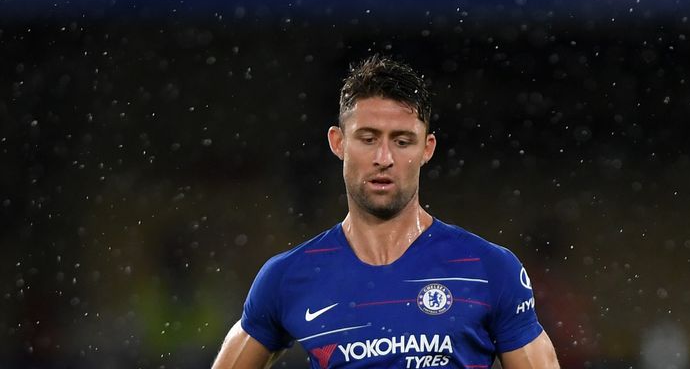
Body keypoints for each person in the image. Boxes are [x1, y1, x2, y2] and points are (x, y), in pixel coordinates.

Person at [212, 55, 560, 368]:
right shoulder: (288, 278)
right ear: (338, 143)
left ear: (427, 148)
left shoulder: (488, 269)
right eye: (367, 138)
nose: (384, 158)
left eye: (402, 141)